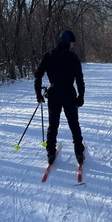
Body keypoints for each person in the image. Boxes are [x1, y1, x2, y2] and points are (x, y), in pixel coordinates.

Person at [34, 30, 85, 165]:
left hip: (54, 94)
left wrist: (38, 94)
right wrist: (81, 97)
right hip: (69, 94)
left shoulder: (49, 55)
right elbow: (80, 79)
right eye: (72, 43)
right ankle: (79, 152)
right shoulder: (73, 57)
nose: (73, 46)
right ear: (68, 42)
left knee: (53, 125)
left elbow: (38, 75)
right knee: (74, 124)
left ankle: (50, 151)